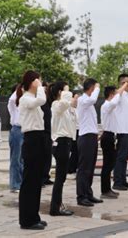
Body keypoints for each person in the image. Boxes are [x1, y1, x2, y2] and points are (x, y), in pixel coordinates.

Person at [17, 70, 48, 230]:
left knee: (36, 181)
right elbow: (42, 99)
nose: (40, 83)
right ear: (32, 81)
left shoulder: (32, 99)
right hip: (31, 140)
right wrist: (39, 85)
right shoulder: (25, 99)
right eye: (37, 80)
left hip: (39, 138)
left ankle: (34, 216)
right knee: (29, 181)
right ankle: (26, 220)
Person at [49, 82, 77, 216]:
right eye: (66, 90)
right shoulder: (56, 105)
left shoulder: (63, 107)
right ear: (60, 92)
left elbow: (72, 121)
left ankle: (57, 205)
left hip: (66, 142)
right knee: (60, 178)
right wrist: (66, 90)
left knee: (62, 177)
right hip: (60, 143)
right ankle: (55, 207)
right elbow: (64, 103)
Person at [76, 78, 103, 207]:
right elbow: (93, 99)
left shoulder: (89, 103)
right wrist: (97, 88)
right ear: (91, 87)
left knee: (90, 167)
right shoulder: (83, 100)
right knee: (84, 168)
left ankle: (88, 193)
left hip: (91, 135)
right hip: (85, 136)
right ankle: (81, 196)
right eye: (95, 87)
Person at [100, 83, 126, 198]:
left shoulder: (109, 106)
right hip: (107, 136)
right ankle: (105, 190)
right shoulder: (107, 105)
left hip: (111, 136)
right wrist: (123, 87)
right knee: (107, 165)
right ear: (111, 94)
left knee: (110, 164)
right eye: (114, 93)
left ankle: (107, 188)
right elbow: (115, 101)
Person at [113, 74, 128, 191]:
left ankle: (123, 180)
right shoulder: (120, 94)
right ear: (123, 84)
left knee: (126, 156)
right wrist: (123, 85)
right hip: (122, 130)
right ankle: (117, 181)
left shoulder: (127, 96)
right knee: (121, 157)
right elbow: (116, 94)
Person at [7, 84, 23, 193]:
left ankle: (21, 182)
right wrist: (20, 88)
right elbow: (12, 99)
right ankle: (15, 184)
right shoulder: (13, 103)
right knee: (16, 159)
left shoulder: (23, 103)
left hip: (25, 129)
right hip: (17, 130)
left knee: (22, 159)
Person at [42, 83, 54, 186]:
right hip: (43, 132)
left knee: (48, 157)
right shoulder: (40, 102)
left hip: (49, 131)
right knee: (43, 156)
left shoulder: (48, 102)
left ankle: (46, 176)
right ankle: (41, 178)